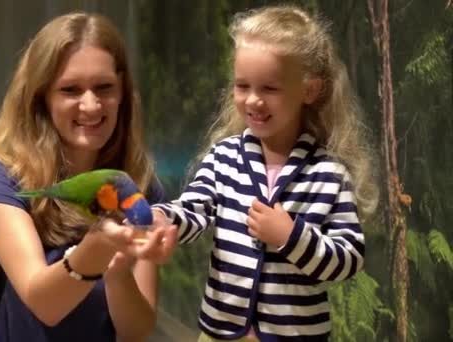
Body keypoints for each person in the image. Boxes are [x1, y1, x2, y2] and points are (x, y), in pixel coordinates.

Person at [148, 5, 378, 342]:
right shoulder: (225, 157)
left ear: (308, 91)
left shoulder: (328, 174)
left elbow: (349, 260)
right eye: (243, 86)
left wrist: (291, 236)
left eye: (269, 88)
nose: (253, 100)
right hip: (220, 334)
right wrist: (161, 219)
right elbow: (193, 209)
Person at [0, 12, 177, 341]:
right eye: (70, 90)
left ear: (123, 91)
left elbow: (136, 331)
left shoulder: (140, 185)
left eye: (104, 87)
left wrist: (120, 270)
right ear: (43, 98)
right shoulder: (4, 181)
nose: (91, 105)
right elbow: (45, 304)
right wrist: (101, 245)